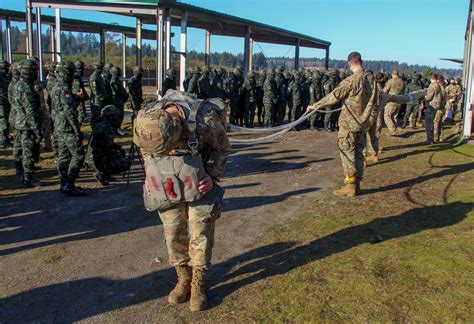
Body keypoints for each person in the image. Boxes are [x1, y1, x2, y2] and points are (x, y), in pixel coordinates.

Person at [133, 90, 230, 312]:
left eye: (168, 148)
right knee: (173, 231)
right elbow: (143, 147)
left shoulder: (206, 121)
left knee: (200, 231)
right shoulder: (143, 119)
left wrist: (212, 176)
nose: (167, 152)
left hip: (198, 182)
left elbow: (223, 149)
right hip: (165, 182)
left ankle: (198, 284)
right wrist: (150, 174)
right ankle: (183, 278)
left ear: (177, 125)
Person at [307, 52, 426, 196]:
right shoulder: (374, 84)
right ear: (361, 62)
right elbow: (398, 98)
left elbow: (334, 96)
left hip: (349, 125)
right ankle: (356, 184)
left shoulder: (352, 80)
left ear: (350, 63)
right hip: (364, 125)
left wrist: (315, 105)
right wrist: (421, 93)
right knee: (358, 153)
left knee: (347, 153)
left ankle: (350, 185)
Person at [51, 61, 86, 196]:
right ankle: (69, 184)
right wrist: (77, 129)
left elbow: (64, 105)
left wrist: (77, 98)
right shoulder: (64, 88)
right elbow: (69, 111)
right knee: (78, 155)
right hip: (67, 126)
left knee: (64, 156)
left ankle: (63, 183)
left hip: (59, 125)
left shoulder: (55, 87)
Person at [11, 59, 42, 187]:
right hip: (26, 124)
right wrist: (36, 129)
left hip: (20, 122)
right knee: (28, 150)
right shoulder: (25, 87)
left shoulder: (19, 84)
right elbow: (30, 110)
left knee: (19, 148)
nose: (36, 73)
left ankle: (21, 171)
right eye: (34, 70)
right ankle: (28, 178)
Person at [87, 105, 130, 186]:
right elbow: (109, 149)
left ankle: (105, 174)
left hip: (94, 157)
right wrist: (122, 157)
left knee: (119, 151)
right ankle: (100, 173)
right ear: (111, 117)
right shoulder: (106, 128)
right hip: (95, 159)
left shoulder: (102, 125)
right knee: (124, 164)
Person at [383, 69, 406, 136]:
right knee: (392, 116)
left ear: (392, 74)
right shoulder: (402, 82)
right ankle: (394, 129)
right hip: (399, 101)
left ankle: (392, 130)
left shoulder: (391, 81)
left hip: (391, 101)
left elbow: (385, 91)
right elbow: (403, 92)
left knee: (387, 115)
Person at [110, 66, 129, 133]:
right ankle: (115, 130)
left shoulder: (117, 80)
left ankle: (117, 129)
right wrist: (123, 93)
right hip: (116, 101)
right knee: (117, 116)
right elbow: (117, 90)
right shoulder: (113, 81)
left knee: (120, 116)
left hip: (120, 101)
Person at [89, 62, 106, 129]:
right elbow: (95, 90)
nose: (102, 70)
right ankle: (94, 129)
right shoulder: (94, 77)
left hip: (99, 99)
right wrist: (101, 97)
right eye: (101, 68)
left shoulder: (99, 76)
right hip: (96, 99)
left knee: (99, 115)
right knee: (96, 115)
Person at [73, 61, 89, 127]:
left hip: (77, 97)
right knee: (81, 114)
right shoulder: (77, 76)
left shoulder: (75, 75)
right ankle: (76, 128)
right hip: (78, 97)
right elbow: (79, 88)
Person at [0, 60, 11, 147]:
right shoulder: (2, 76)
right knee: (3, 120)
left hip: (3, 100)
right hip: (2, 101)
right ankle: (3, 139)